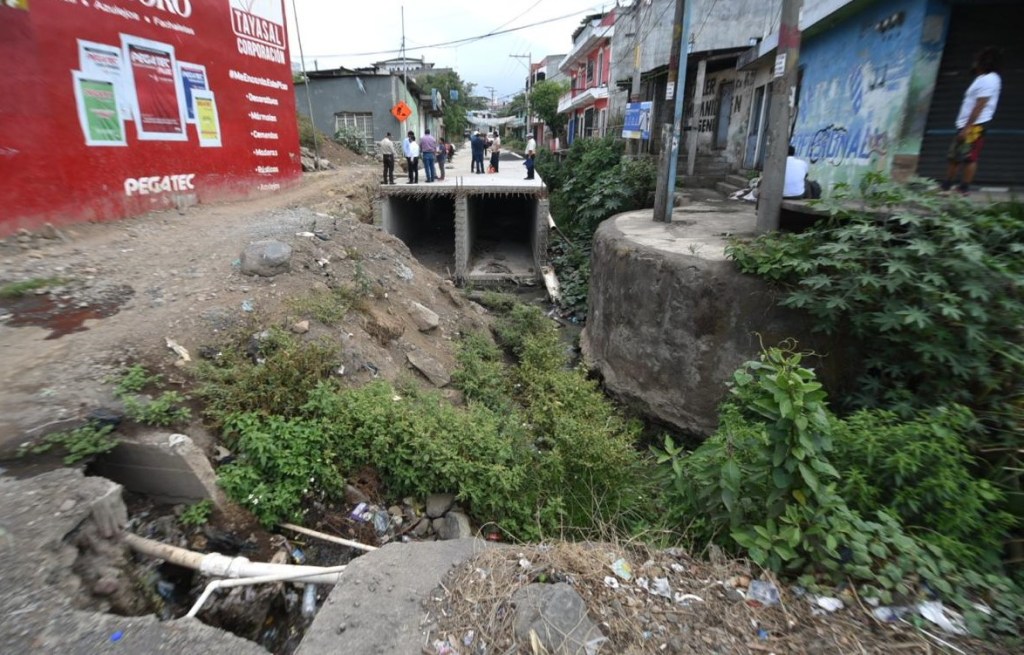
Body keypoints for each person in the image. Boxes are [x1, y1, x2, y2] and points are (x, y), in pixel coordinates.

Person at [943, 47, 1002, 195]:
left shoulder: (989, 79)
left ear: (983, 63)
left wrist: (968, 127)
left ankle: (963, 188)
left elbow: (980, 104)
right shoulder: (982, 78)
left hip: (975, 126)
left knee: (969, 158)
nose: (973, 63)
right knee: (955, 156)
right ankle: (946, 186)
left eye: (976, 61)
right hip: (967, 125)